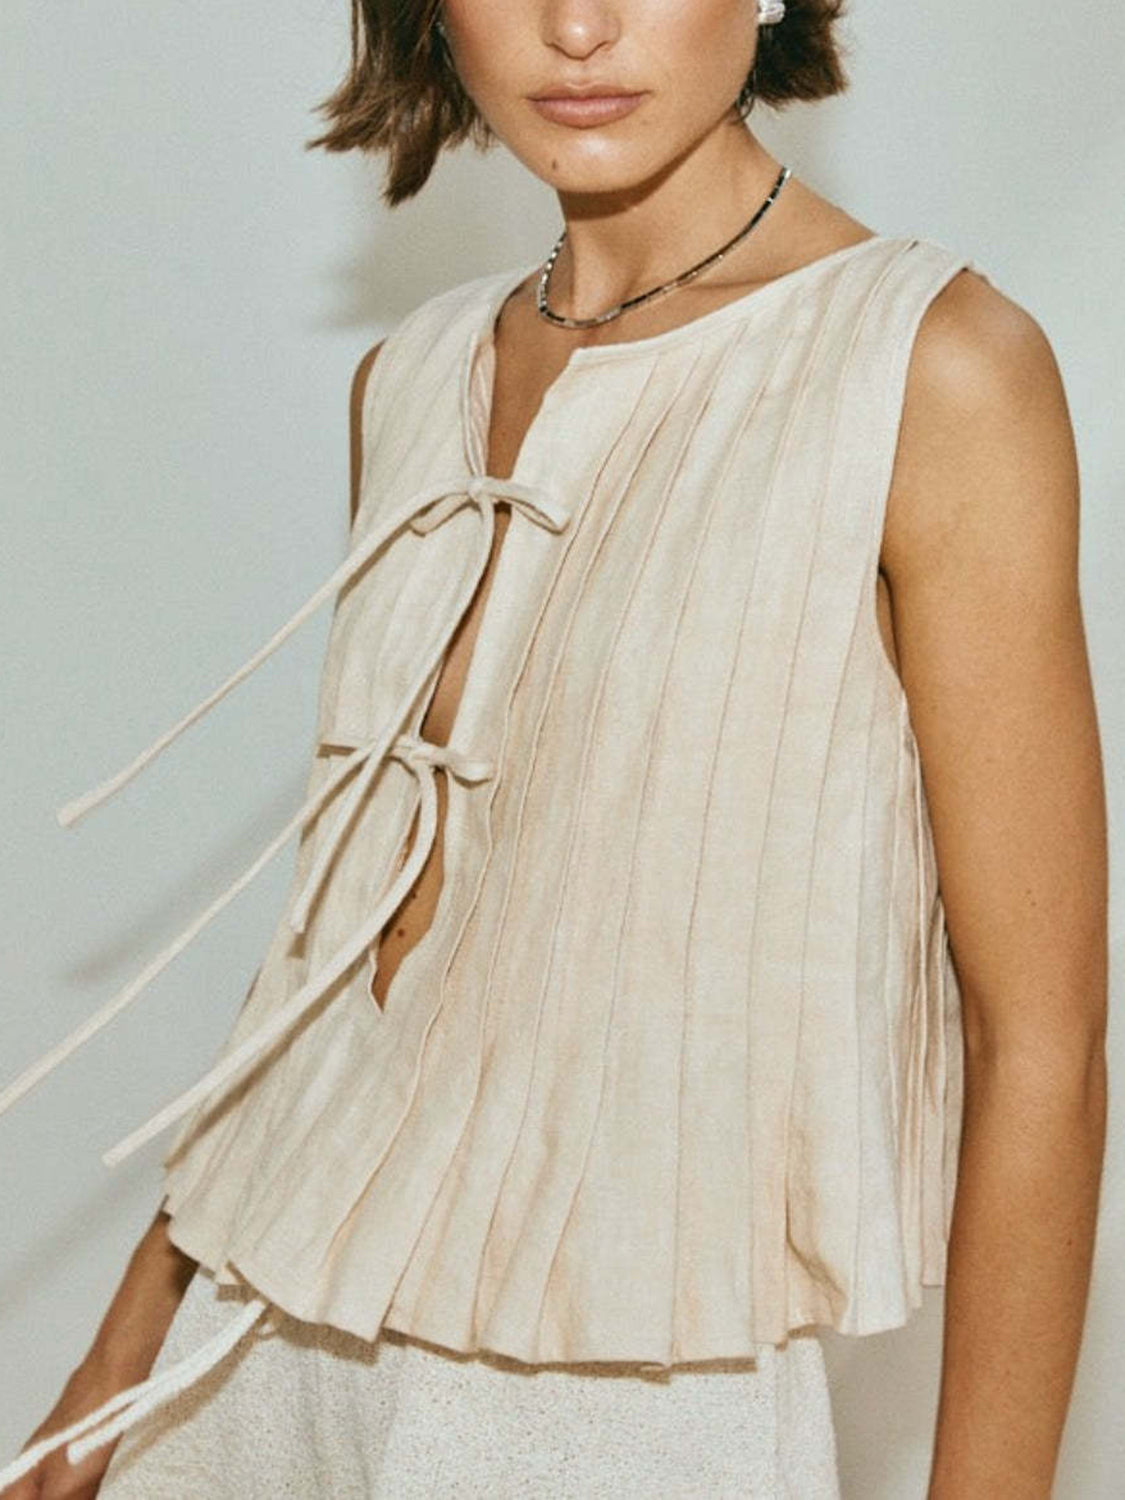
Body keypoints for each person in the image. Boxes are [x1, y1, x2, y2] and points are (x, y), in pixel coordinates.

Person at [1, 0, 1108, 1495]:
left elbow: (1040, 1039)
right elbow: (341, 938)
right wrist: (114, 1363)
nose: (576, 27)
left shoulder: (933, 367)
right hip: (251, 1347)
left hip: (622, 1390)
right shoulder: (412, 373)